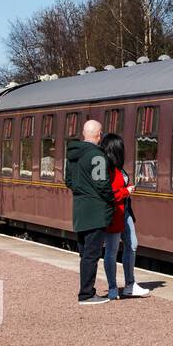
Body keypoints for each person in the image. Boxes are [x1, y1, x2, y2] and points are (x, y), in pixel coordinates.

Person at [65, 120, 115, 305]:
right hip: (96, 212)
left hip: (79, 210)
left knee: (85, 254)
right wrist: (111, 200)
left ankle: (86, 292)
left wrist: (83, 192)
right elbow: (103, 184)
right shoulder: (97, 156)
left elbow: (68, 181)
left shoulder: (72, 156)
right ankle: (86, 294)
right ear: (99, 134)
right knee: (92, 255)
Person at [99, 133, 149, 299]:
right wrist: (125, 191)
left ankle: (130, 284)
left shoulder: (118, 168)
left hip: (125, 212)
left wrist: (128, 189)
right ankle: (112, 287)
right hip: (114, 213)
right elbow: (108, 194)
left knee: (132, 244)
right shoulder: (107, 169)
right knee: (111, 251)